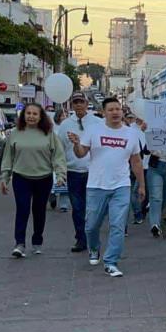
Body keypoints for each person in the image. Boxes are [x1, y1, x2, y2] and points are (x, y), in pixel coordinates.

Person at [67, 97, 146, 278]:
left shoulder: (131, 134)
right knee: (91, 225)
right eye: (111, 109)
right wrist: (76, 144)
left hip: (121, 185)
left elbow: (136, 161)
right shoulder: (94, 130)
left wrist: (141, 185)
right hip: (96, 185)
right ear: (104, 113)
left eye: (118, 109)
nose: (115, 112)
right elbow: (81, 154)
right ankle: (94, 248)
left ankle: (111, 261)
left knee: (117, 225)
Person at [0, 103, 68, 258]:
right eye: (28, 113)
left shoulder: (49, 134)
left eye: (34, 114)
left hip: (43, 178)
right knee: (22, 209)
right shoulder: (15, 133)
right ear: (23, 115)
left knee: (38, 211)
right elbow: (8, 157)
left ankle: (37, 241)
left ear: (40, 116)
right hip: (21, 177)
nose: (31, 116)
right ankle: (20, 244)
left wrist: (60, 175)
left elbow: (58, 156)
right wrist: (5, 177)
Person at [58, 93, 104, 252]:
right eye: (75, 102)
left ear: (86, 103)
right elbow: (60, 150)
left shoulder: (98, 122)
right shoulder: (65, 125)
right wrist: (60, 172)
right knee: (77, 208)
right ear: (71, 105)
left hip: (94, 172)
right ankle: (81, 239)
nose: (78, 105)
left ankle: (93, 237)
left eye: (81, 102)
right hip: (73, 172)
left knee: (93, 208)